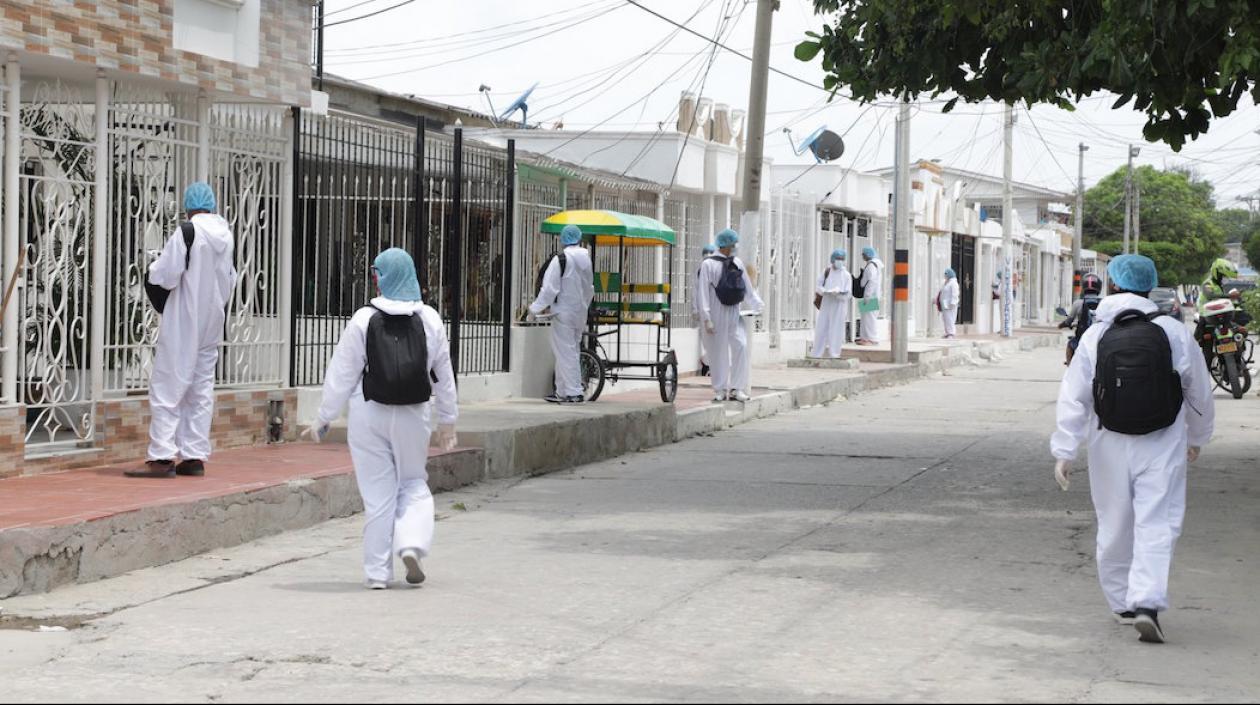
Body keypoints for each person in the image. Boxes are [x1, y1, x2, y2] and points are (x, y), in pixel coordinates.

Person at [1051, 254, 1214, 644]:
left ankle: (1122, 601)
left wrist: (1065, 450)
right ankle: (1147, 602)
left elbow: (1074, 397)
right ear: (1150, 286)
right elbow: (1199, 393)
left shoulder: (1096, 335)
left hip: (1109, 441)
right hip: (1163, 441)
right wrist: (1197, 438)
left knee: (1115, 521)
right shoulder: (1173, 332)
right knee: (1157, 521)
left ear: (1110, 286)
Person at [304, 248, 458, 590]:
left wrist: (323, 418)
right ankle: (411, 544)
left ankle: (376, 573)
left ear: (382, 278)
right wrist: (448, 420)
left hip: (368, 413)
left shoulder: (363, 318)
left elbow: (341, 373)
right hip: (414, 413)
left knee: (378, 496)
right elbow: (443, 375)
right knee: (413, 483)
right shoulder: (430, 318)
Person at [126, 183, 237, 479]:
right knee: (200, 388)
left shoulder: (187, 232)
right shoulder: (226, 235)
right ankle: (193, 456)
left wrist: (151, 270)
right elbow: (230, 277)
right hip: (212, 319)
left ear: (188, 206)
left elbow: (165, 273)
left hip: (184, 317)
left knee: (167, 384)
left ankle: (162, 456)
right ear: (211, 204)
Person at [697, 228, 763, 402]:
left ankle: (736, 388)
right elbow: (702, 292)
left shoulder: (737, 263)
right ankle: (719, 389)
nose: (734, 247)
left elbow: (747, 288)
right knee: (718, 351)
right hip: (715, 312)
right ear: (724, 245)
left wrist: (757, 304)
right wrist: (706, 317)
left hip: (734, 312)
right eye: (733, 244)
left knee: (740, 346)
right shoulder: (708, 264)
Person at [530, 224, 594, 403]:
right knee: (568, 350)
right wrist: (583, 307)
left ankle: (574, 391)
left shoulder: (561, 260)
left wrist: (534, 308)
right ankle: (562, 391)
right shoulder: (586, 260)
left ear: (563, 239)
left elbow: (549, 289)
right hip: (580, 313)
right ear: (579, 239)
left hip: (563, 313)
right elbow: (589, 288)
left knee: (566, 352)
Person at [1194, 258, 1239, 366]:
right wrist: (1229, 295)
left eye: (1224, 276)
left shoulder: (1220, 286)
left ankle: (1239, 363)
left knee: (1239, 333)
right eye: (1222, 275)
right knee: (1207, 355)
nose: (1223, 278)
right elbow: (1210, 295)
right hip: (1208, 318)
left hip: (1221, 318)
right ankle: (1204, 377)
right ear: (1216, 272)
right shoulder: (1207, 284)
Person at [811, 248, 852, 358]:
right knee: (821, 328)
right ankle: (816, 354)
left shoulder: (846, 275)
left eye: (842, 259)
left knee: (836, 329)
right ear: (833, 259)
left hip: (839, 305)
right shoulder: (826, 271)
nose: (840, 261)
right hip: (826, 303)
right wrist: (824, 291)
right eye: (838, 259)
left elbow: (848, 294)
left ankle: (834, 354)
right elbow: (818, 286)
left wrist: (838, 294)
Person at [1058, 272, 1104, 365]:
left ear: (1083, 287)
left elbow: (1069, 321)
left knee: (1070, 344)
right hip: (1101, 338)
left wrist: (1061, 325)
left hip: (1083, 338)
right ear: (1099, 287)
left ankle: (1070, 365)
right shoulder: (1104, 303)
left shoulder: (1078, 303)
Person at [695, 243, 717, 375]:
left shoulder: (715, 272)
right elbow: (696, 292)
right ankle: (707, 364)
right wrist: (695, 310)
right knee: (707, 339)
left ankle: (708, 363)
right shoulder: (699, 272)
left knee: (714, 340)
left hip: (714, 311)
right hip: (704, 311)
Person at [855, 246, 883, 345]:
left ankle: (872, 339)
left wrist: (867, 296)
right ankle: (865, 338)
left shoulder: (871, 266)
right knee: (865, 318)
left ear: (867, 255)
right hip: (871, 296)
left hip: (870, 296)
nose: (862, 256)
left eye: (863, 254)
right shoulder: (873, 265)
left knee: (870, 318)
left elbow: (871, 282)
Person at [937, 267, 961, 339]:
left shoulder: (953, 283)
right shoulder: (947, 283)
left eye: (946, 274)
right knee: (945, 318)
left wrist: (953, 303)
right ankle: (947, 332)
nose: (945, 276)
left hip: (950, 305)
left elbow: (955, 293)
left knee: (950, 318)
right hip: (945, 304)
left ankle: (951, 333)